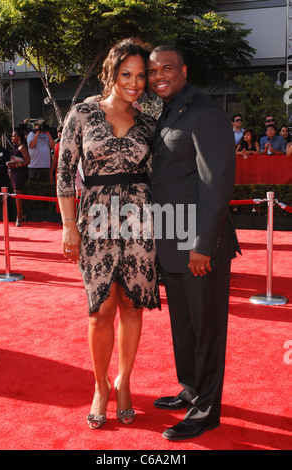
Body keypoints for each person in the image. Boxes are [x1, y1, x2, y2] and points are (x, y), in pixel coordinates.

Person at [56, 38, 160, 430]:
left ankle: (125, 382)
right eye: (125, 75)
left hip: (141, 219)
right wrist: (69, 226)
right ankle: (100, 386)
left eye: (139, 77)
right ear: (111, 73)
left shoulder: (150, 121)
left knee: (132, 306)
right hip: (95, 219)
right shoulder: (82, 114)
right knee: (100, 311)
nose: (134, 83)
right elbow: (66, 173)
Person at [147, 45, 240, 441]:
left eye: (167, 68)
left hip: (201, 247)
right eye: (152, 71)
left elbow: (216, 182)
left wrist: (203, 244)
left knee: (206, 331)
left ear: (183, 70)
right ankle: (190, 388)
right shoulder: (168, 111)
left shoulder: (205, 112)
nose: (158, 76)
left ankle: (206, 412)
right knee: (183, 327)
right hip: (171, 240)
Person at [7, 130, 30, 226]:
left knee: (17, 192)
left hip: (20, 172)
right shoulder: (15, 147)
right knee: (16, 192)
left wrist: (16, 166)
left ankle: (19, 216)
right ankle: (20, 214)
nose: (12, 138)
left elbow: (28, 161)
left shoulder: (22, 147)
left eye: (13, 136)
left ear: (19, 137)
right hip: (14, 172)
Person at [0, 135, 11, 220]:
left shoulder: (5, 151)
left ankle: (8, 218)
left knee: (6, 199)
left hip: (2, 177)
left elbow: (6, 163)